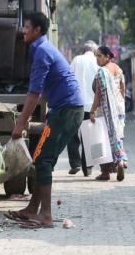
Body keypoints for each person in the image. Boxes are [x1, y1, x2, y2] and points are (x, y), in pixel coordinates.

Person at [5, 12, 84, 228]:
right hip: (64, 110)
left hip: (67, 111)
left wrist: (20, 125)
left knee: (44, 161)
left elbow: (34, 93)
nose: (23, 30)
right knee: (42, 159)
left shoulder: (41, 51)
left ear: (37, 30)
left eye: (26, 27)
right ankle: (33, 209)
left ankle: (46, 216)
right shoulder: (40, 48)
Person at [89, 46, 127, 181]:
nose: (97, 59)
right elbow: (123, 89)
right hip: (119, 109)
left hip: (106, 110)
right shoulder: (118, 69)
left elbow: (98, 94)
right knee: (116, 136)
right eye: (96, 56)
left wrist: (92, 110)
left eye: (99, 56)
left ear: (107, 56)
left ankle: (105, 172)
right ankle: (120, 161)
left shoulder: (102, 72)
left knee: (103, 139)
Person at [67, 40, 99, 176]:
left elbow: (68, 78)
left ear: (83, 50)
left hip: (75, 103)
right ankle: (88, 167)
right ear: (95, 51)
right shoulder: (98, 62)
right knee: (89, 136)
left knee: (72, 134)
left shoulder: (76, 60)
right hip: (92, 105)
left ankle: (75, 164)